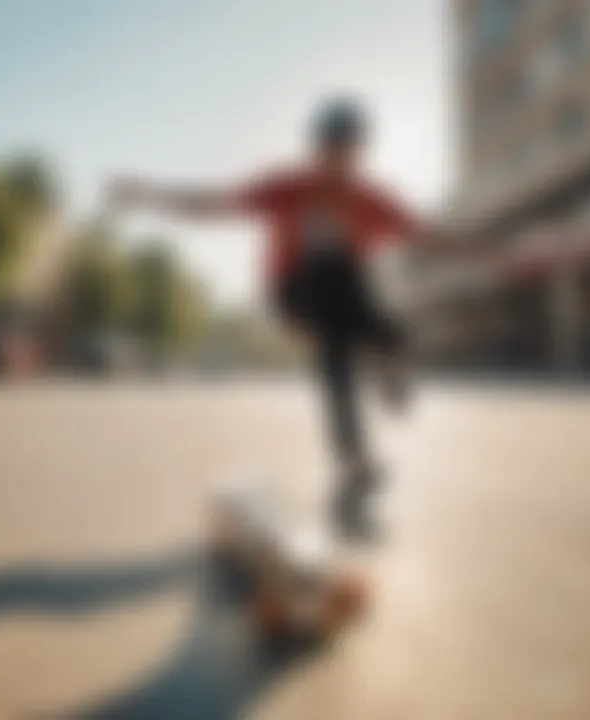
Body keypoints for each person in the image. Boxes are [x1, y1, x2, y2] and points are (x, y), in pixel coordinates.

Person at [107, 97, 430, 541]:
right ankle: (363, 423)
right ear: (316, 150)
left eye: (348, 153)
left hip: (342, 301)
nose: (337, 164)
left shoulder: (369, 199)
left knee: (360, 317)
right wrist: (148, 195)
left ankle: (358, 449)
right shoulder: (287, 187)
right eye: (330, 152)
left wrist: (512, 254)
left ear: (359, 154)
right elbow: (213, 204)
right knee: (339, 278)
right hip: (293, 294)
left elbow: (432, 235)